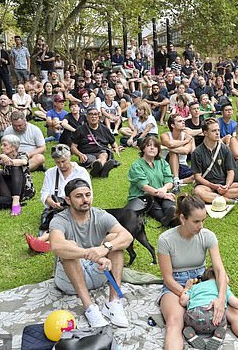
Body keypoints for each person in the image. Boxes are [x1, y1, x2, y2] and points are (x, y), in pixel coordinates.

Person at [157, 194, 238, 350]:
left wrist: (221, 299)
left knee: (233, 313)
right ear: (183, 218)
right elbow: (167, 279)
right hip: (176, 285)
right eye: (196, 221)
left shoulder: (208, 236)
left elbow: (219, 270)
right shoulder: (166, 239)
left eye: (203, 220)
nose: (201, 226)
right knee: (175, 321)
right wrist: (188, 296)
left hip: (202, 281)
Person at [49, 178, 133, 328]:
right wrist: (89, 253)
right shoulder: (59, 220)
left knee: (114, 240)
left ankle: (113, 303)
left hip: (99, 273)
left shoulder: (100, 215)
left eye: (88, 195)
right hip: (69, 281)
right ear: (68, 200)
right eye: (79, 196)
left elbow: (127, 236)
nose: (85, 200)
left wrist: (104, 248)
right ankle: (89, 308)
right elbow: (56, 245)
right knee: (68, 247)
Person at [180, 266, 238, 349]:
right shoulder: (223, 288)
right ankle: (218, 336)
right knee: (224, 322)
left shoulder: (195, 287)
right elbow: (235, 302)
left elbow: (183, 301)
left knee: (186, 320)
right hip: (215, 319)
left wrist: (187, 287)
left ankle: (191, 333)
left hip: (194, 317)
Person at [192, 118, 238, 204]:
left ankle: (214, 197)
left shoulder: (225, 149)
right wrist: (213, 186)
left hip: (223, 184)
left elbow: (230, 171)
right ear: (205, 133)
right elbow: (197, 177)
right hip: (207, 185)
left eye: (218, 130)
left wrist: (227, 186)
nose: (217, 133)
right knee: (198, 191)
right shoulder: (197, 152)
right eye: (213, 131)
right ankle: (233, 200)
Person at [0, 134, 35, 218]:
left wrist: (9, 161)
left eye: (4, 145)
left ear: (13, 147)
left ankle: (15, 203)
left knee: (16, 167)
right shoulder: (2, 156)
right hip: (7, 190)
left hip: (21, 190)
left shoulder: (22, 154)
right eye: (1, 145)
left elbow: (24, 162)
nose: (1, 147)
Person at [127, 136, 176, 227]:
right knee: (155, 207)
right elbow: (144, 186)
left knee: (169, 204)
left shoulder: (162, 162)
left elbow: (169, 181)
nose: (152, 148)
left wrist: (164, 189)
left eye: (155, 146)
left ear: (158, 150)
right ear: (143, 149)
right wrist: (162, 194)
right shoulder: (136, 165)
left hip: (161, 192)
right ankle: (166, 220)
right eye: (149, 145)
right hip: (144, 195)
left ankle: (172, 215)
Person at [71, 108, 120, 178]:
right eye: (91, 114)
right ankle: (102, 168)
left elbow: (113, 142)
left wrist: (116, 148)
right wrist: (80, 155)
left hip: (101, 151)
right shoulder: (80, 129)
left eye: (95, 114)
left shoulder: (104, 129)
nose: (93, 117)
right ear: (87, 117)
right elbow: (73, 147)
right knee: (91, 159)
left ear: (98, 117)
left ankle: (99, 167)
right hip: (86, 153)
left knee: (104, 155)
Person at [161, 113, 195, 193]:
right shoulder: (165, 136)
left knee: (200, 174)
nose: (183, 122)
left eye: (183, 120)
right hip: (166, 167)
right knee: (173, 153)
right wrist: (185, 141)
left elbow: (186, 151)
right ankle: (176, 180)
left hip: (183, 167)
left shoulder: (187, 136)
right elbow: (170, 144)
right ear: (172, 125)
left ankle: (179, 182)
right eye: (180, 121)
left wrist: (168, 148)